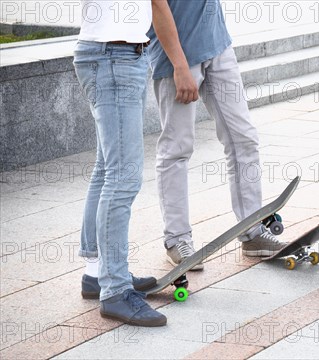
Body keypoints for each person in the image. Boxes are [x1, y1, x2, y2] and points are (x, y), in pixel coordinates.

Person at [148, 0, 286, 269]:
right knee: (177, 149)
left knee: (243, 138)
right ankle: (177, 239)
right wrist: (179, 65)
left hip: (218, 46)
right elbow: (157, 5)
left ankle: (253, 231)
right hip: (177, 57)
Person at [74, 0, 171, 326]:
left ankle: (96, 273)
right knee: (123, 176)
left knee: (107, 169)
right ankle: (115, 290)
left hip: (118, 55)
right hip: (111, 56)